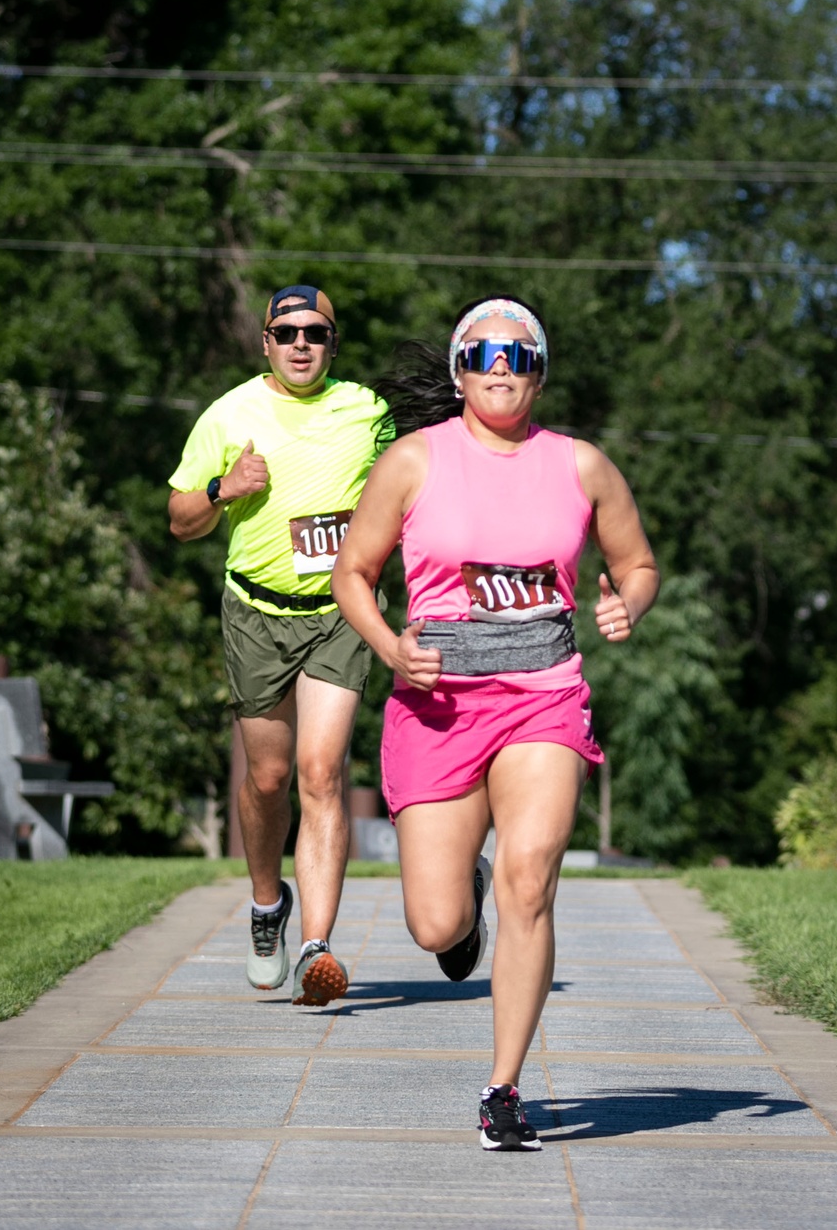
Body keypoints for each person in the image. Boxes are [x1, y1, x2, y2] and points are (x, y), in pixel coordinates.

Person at [332, 295, 660, 1150]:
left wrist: (630, 602)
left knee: (531, 877)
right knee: (436, 927)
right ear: (459, 370)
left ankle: (504, 1087)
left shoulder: (581, 466)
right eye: (484, 355)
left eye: (519, 355)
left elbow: (638, 562)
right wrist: (391, 649)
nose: (501, 367)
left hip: (543, 696)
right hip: (436, 705)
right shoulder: (412, 461)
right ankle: (463, 901)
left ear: (541, 371)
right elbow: (353, 576)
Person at [168, 284, 390, 1006]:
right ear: (265, 342)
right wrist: (222, 488)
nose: (302, 344)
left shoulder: (368, 411)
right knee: (268, 780)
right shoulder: (229, 413)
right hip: (256, 613)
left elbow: (425, 477)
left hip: (338, 611)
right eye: (287, 332)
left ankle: (318, 950)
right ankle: (269, 904)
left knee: (321, 771)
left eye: (316, 334)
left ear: (334, 343)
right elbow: (178, 520)